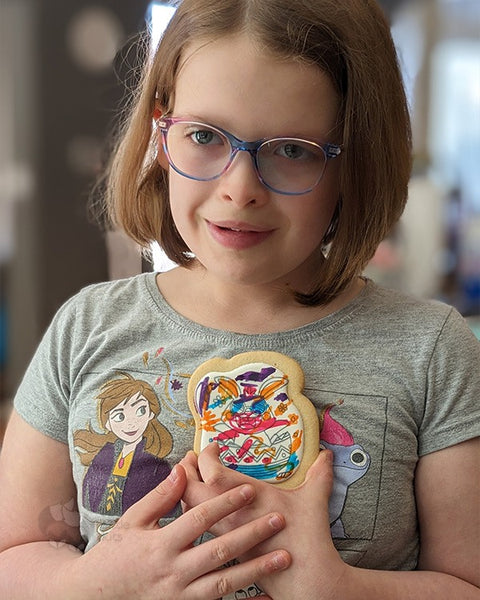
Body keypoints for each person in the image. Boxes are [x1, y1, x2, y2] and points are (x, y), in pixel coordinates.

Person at [0, 0, 478, 598]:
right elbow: (13, 553)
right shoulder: (85, 329)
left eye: (294, 149)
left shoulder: (431, 351)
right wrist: (93, 584)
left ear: (353, 163)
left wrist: (338, 588)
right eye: (204, 136)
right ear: (160, 130)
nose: (239, 189)